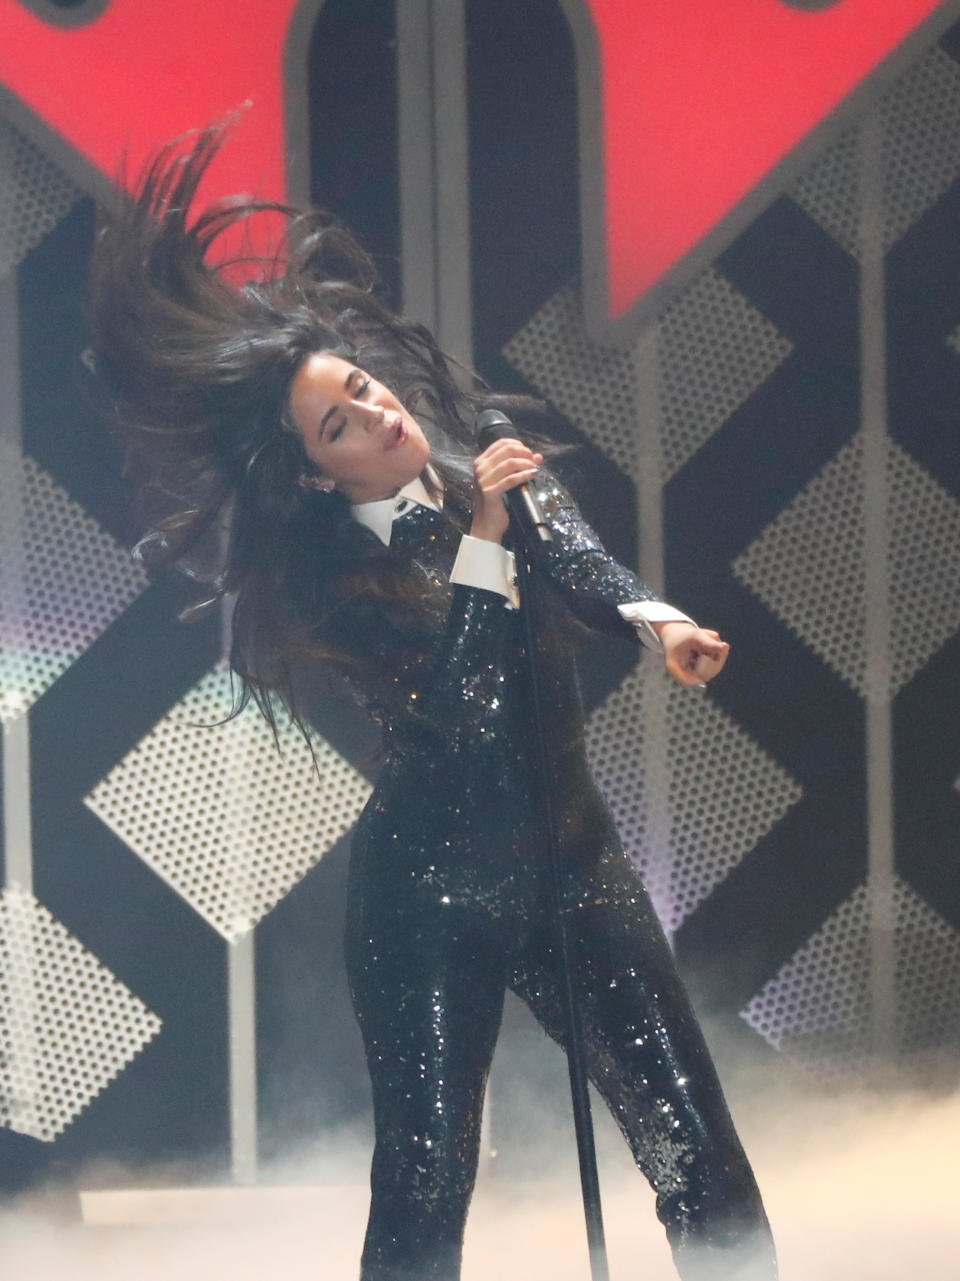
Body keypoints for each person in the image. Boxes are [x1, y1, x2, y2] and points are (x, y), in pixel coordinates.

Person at [88, 123, 777, 1281]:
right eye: (341, 423)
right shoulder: (330, 582)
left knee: (697, 1150)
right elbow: (458, 706)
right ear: (317, 469)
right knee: (426, 1179)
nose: (380, 416)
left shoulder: (494, 480)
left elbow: (588, 567)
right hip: (430, 897)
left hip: (573, 862)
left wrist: (665, 626)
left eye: (365, 388)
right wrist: (484, 548)